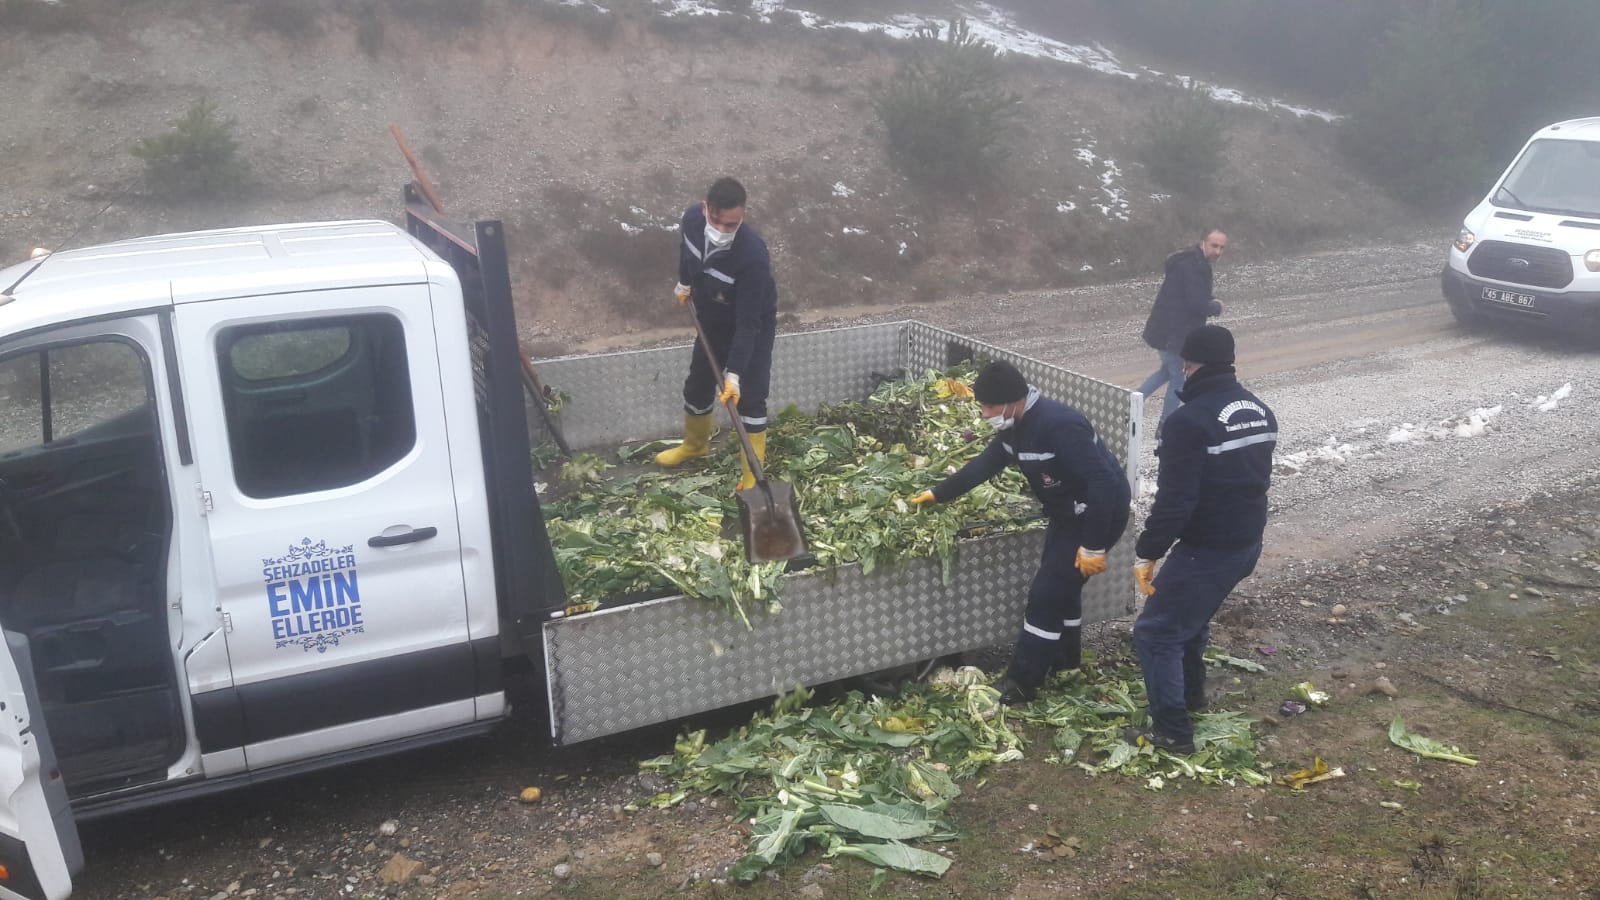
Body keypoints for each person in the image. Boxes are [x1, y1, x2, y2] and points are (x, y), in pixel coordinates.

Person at [908, 360, 1131, 704]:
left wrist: (1093, 545)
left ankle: (1022, 681)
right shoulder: (1015, 428)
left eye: (991, 407)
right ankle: (1064, 660)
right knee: (1061, 589)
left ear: (1014, 400)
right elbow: (986, 463)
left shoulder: (1059, 426)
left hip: (1097, 514)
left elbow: (1104, 482)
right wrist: (939, 494)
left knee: (1044, 598)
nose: (985, 414)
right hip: (1066, 515)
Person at [1128, 324, 1276, 754]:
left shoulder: (1187, 422)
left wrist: (1147, 551)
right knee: (1187, 624)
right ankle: (1191, 699)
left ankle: (1172, 733)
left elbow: (1176, 502)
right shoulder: (1259, 410)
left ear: (1190, 365)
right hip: (1245, 543)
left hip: (1208, 550)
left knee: (1156, 632)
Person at [654, 177, 779, 490]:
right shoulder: (692, 221)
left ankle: (753, 475)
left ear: (743, 217)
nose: (723, 230)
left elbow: (749, 323)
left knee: (750, 396)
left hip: (751, 323)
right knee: (698, 383)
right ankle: (695, 446)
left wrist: (734, 374)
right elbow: (688, 254)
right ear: (705, 208)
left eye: (732, 225)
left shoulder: (752, 258)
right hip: (711, 313)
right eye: (717, 221)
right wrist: (685, 282)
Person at [1138, 228, 1227, 427]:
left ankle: (1130, 405)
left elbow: (1191, 296)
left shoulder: (1193, 262)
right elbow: (1195, 303)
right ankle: (1166, 425)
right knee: (1179, 379)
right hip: (1174, 333)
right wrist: (1215, 306)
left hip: (1169, 330)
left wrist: (1208, 301)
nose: (1218, 251)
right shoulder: (1193, 266)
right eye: (1214, 245)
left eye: (1222, 247)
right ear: (1202, 242)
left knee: (1166, 372)